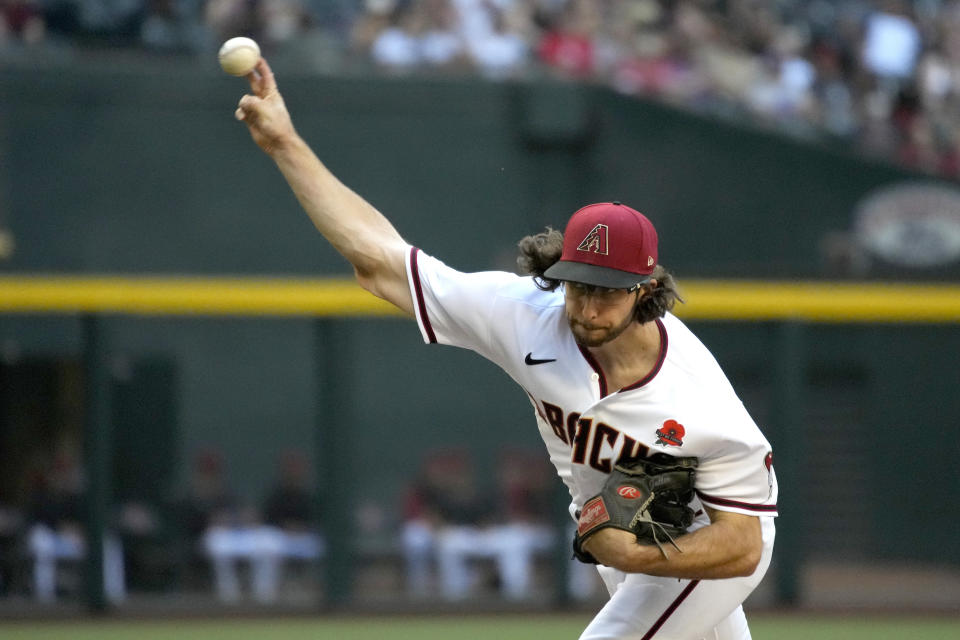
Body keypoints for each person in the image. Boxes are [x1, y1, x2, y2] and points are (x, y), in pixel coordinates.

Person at [234, 57, 778, 639]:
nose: (588, 309)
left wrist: (638, 556)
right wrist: (284, 144)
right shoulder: (524, 315)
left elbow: (743, 546)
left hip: (701, 541)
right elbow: (379, 258)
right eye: (579, 286)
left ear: (644, 289)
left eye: (608, 293)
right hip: (621, 523)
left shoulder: (703, 403)